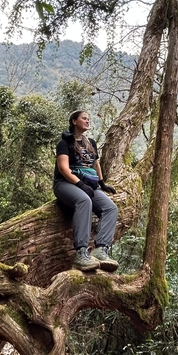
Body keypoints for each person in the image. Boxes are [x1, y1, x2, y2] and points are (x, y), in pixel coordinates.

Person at [53, 110, 119, 272]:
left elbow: (95, 164)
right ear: (74, 121)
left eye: (89, 119)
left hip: (88, 184)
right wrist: (80, 185)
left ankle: (101, 249)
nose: (87, 121)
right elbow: (63, 168)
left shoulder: (91, 143)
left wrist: (102, 183)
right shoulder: (64, 143)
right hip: (65, 183)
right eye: (84, 118)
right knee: (84, 200)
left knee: (110, 208)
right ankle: (81, 252)